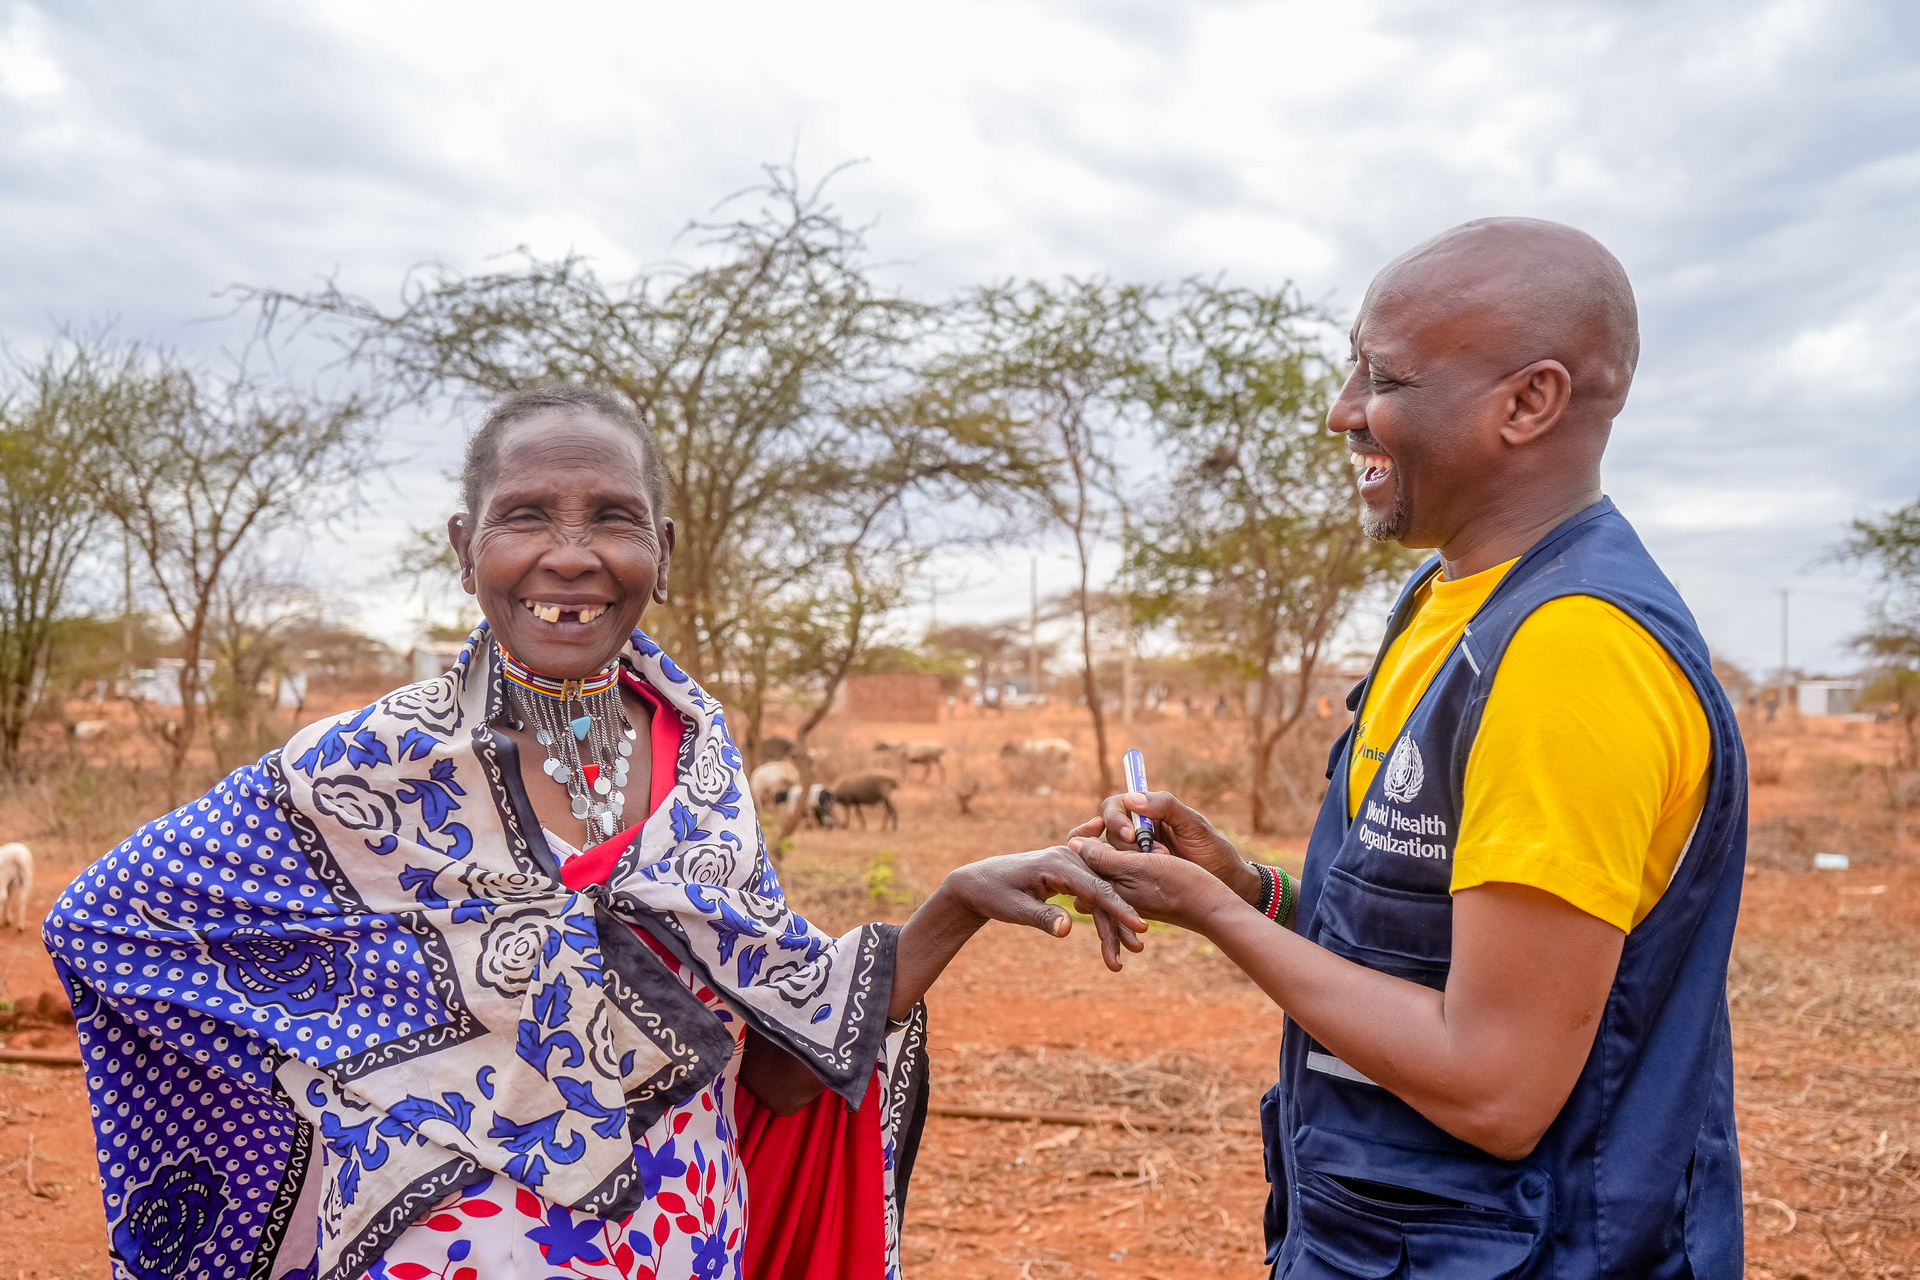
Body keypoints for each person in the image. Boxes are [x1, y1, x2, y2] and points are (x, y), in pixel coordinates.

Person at [46, 385, 1141, 1280]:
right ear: (463, 543)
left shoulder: (699, 762)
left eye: (611, 517)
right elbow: (103, 925)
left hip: (687, 1230)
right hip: (446, 1243)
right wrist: (383, 1058)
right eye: (526, 514)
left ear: (660, 545)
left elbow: (784, 1068)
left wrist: (950, 904)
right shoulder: (361, 766)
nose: (570, 553)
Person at [1074, 218, 1747, 1277]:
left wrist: (1207, 917)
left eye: (1383, 377)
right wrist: (1247, 890)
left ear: (1529, 402)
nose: (1344, 411)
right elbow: (1427, 954)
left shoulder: (1572, 653)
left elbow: (1496, 1082)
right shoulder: (1443, 607)